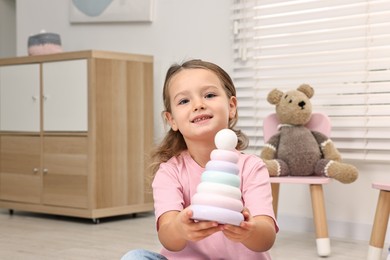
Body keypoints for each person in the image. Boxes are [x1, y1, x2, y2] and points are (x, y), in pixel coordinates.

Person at [121, 59, 278, 260]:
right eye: (184, 101)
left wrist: (250, 231)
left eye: (210, 95)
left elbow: (266, 237)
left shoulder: (251, 167)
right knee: (134, 257)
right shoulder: (170, 172)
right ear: (172, 120)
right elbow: (168, 238)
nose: (198, 105)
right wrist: (179, 228)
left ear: (231, 107)